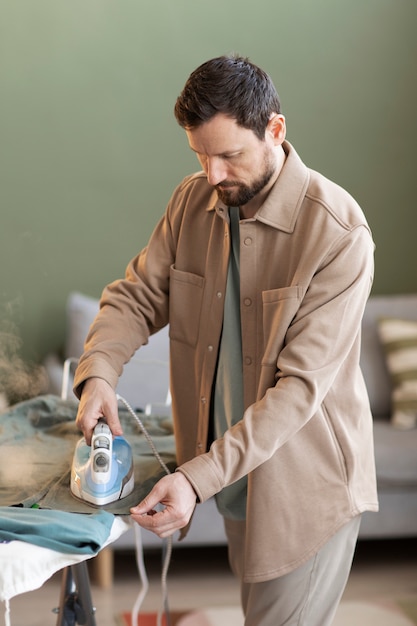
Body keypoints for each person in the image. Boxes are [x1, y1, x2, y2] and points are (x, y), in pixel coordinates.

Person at [74, 54, 378, 625]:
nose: (212, 175)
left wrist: (194, 478)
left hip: (302, 493)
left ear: (276, 131)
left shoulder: (339, 234)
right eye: (200, 156)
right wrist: (98, 375)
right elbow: (137, 295)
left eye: (229, 155)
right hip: (234, 477)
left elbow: (297, 393)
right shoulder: (194, 202)